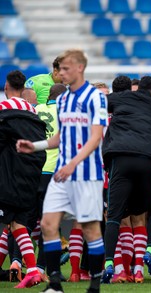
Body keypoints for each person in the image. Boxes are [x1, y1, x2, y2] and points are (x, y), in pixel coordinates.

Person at [17, 49, 108, 293]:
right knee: (48, 224)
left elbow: (96, 136)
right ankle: (55, 284)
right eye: (60, 69)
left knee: (90, 229)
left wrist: (73, 162)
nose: (61, 74)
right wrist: (34, 146)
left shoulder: (95, 98)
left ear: (79, 69)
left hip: (86, 173)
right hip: (61, 173)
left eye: (66, 69)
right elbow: (60, 136)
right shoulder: (64, 99)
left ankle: (95, 285)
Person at [101, 75, 151, 283]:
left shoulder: (121, 99)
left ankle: (110, 265)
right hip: (147, 159)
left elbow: (98, 103)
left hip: (120, 158)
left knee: (114, 216)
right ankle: (147, 253)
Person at [0, 70, 46, 289]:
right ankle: (34, 271)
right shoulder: (33, 112)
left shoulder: (3, 110)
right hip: (31, 175)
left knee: (9, 222)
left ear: (7, 87)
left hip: (8, 175)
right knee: (17, 224)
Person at [34, 83, 67, 280]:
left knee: (27, 221)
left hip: (33, 171)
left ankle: (23, 265)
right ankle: (44, 269)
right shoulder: (66, 113)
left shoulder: (36, 109)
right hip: (54, 173)